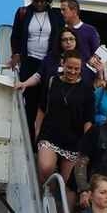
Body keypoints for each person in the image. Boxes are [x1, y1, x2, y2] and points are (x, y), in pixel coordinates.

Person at [9, 0, 64, 135]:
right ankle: (29, 136)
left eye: (42, 1)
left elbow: (60, 38)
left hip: (48, 63)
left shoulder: (56, 15)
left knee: (46, 101)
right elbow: (15, 36)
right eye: (35, 0)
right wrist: (16, 54)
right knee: (30, 102)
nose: (39, 4)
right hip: (29, 62)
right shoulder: (23, 13)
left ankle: (43, 136)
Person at [35, 52, 94, 185]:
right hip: (50, 134)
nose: (73, 72)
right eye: (69, 67)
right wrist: (37, 130)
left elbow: (88, 118)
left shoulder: (87, 88)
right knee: (45, 168)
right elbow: (42, 108)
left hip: (74, 139)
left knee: (67, 183)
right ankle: (46, 193)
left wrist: (86, 144)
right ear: (63, 64)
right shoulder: (52, 81)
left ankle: (56, 195)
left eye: (76, 69)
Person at [14, 29, 81, 94]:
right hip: (50, 97)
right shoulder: (51, 57)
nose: (68, 42)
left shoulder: (82, 58)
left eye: (71, 39)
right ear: (59, 42)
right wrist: (24, 84)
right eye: (64, 40)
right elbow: (38, 76)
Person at [60, 0, 101, 65]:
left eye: (64, 10)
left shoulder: (90, 31)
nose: (61, 12)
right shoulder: (59, 30)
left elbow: (97, 56)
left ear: (74, 11)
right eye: (61, 10)